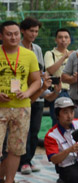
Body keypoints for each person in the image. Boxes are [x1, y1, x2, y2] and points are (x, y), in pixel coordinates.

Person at [0, 20, 42, 183]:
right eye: (9, 34)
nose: (13, 37)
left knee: (16, 148)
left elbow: (36, 81)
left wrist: (27, 93)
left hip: (21, 108)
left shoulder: (29, 55)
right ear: (1, 36)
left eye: (16, 33)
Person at [18, 17, 46, 174]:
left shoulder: (37, 49)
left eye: (36, 31)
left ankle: (29, 159)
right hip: (22, 96)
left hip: (38, 94)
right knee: (23, 130)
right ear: (23, 31)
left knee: (34, 130)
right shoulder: (16, 48)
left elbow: (40, 72)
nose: (34, 34)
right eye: (31, 31)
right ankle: (23, 161)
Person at [44, 27, 73, 121]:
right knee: (58, 121)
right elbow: (51, 70)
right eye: (60, 37)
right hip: (57, 92)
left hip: (72, 91)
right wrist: (64, 57)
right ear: (56, 40)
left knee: (71, 122)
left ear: (70, 40)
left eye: (66, 37)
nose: (63, 40)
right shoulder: (50, 54)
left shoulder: (73, 55)